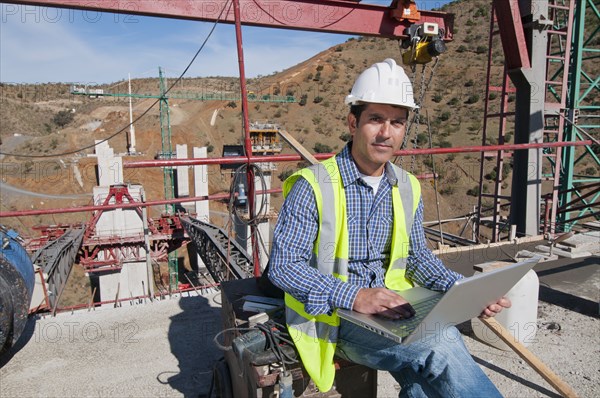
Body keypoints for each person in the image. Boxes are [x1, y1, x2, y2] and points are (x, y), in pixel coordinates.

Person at [268, 58, 509, 397]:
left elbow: (416, 257)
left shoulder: (407, 186)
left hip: (396, 307)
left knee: (424, 378)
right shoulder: (314, 185)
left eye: (397, 122)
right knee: (440, 341)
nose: (386, 132)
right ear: (353, 123)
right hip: (337, 319)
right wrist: (354, 296)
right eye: (376, 119)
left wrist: (462, 288)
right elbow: (284, 266)